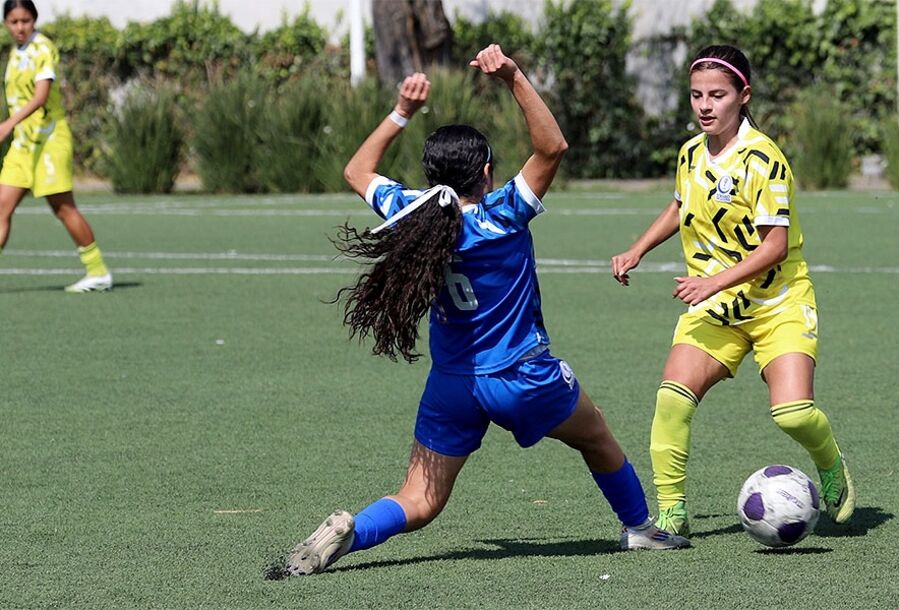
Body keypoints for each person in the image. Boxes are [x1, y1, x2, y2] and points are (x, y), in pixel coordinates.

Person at [281, 45, 689, 578]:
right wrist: (514, 77)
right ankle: (639, 529)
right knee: (597, 437)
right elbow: (552, 145)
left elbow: (357, 169)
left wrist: (402, 111)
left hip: (453, 384)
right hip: (522, 373)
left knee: (420, 500)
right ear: (488, 171)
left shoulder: (412, 213)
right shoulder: (503, 214)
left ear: (430, 174)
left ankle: (352, 530)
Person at [610, 45, 855, 537]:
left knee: (791, 413)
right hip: (718, 307)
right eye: (697, 95)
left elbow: (776, 245)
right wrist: (637, 249)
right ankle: (671, 514)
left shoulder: (764, 158)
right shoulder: (689, 153)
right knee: (672, 401)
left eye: (717, 95)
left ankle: (830, 465)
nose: (705, 105)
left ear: (742, 96)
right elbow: (680, 205)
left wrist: (712, 281)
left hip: (778, 303)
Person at [0, 0, 110, 292]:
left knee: (62, 208)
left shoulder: (43, 49)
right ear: (5, 23)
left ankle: (98, 271)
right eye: (14, 22)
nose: (20, 27)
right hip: (23, 146)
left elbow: (39, 98)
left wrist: (7, 124)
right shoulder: (15, 54)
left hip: (49, 141)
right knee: (1, 208)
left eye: (26, 20)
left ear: (34, 20)